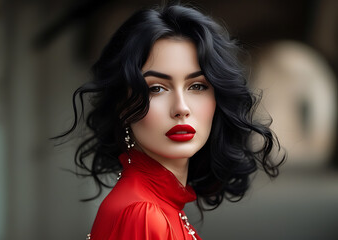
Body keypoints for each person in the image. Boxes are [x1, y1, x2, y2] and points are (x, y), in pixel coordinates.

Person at [55, 4, 285, 240]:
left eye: (197, 86)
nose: (181, 108)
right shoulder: (144, 214)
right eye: (156, 88)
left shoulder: (153, 203)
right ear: (122, 107)